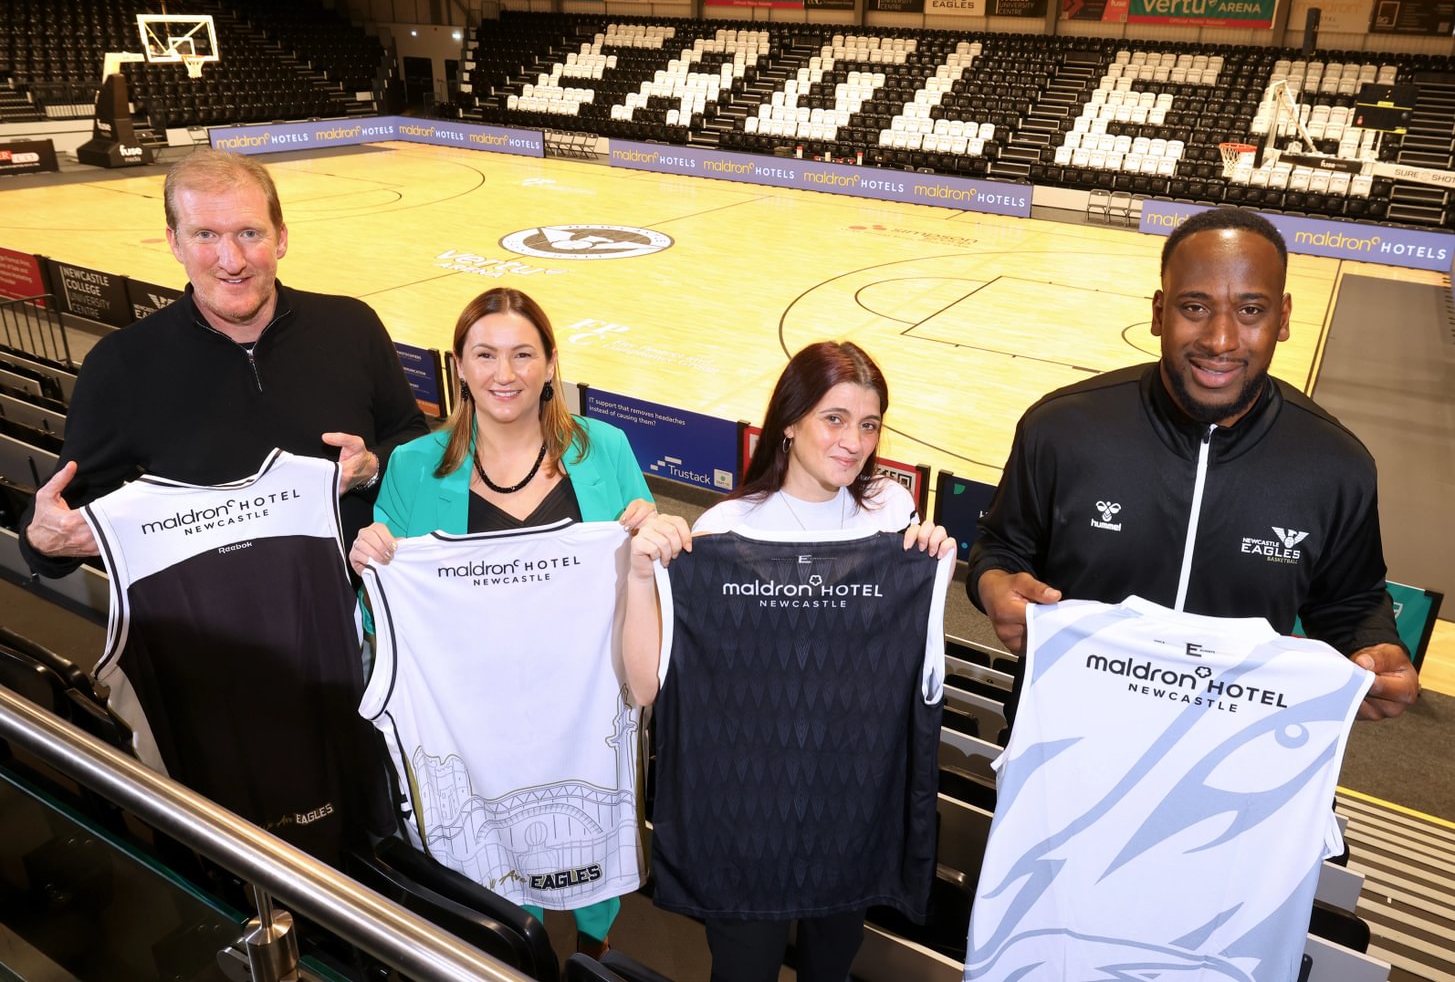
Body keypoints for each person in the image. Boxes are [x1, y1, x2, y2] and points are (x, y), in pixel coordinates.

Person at [968, 206, 1418, 723]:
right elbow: (1002, 545)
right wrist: (992, 584)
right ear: (1159, 312)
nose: (1220, 341)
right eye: (1195, 307)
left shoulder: (1337, 464)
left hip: (1227, 761)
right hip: (1057, 741)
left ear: (1285, 317)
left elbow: (1352, 600)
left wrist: (1375, 647)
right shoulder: (1061, 428)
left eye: (1251, 310)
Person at [626, 341, 955, 982]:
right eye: (834, 419)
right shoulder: (725, 530)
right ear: (790, 420)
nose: (853, 443)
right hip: (747, 815)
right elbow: (646, 687)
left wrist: (926, 558)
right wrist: (642, 577)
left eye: (868, 424)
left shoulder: (892, 514)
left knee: (832, 969)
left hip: (849, 811)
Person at [348, 286, 656, 958]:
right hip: (472, 725)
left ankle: (589, 953)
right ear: (458, 365)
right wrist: (371, 565)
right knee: (495, 922)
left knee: (586, 891)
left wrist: (654, 538)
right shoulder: (412, 466)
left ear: (551, 364)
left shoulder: (606, 450)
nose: (504, 374)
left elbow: (650, 585)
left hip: (583, 715)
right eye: (484, 355)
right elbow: (384, 623)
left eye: (522, 354)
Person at [20, 148, 427, 574]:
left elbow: (411, 435)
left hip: (360, 611)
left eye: (249, 233)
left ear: (281, 238)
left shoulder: (352, 325)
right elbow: (59, 526)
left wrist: (372, 468)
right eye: (205, 235)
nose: (231, 261)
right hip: (216, 631)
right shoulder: (120, 365)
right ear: (175, 243)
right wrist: (41, 541)